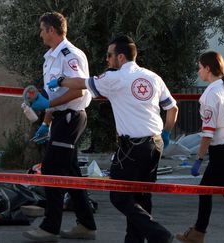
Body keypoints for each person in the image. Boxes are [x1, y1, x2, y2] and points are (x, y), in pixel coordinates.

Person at [47, 35, 178, 243]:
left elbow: (82, 82)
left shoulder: (114, 78)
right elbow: (173, 108)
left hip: (133, 147)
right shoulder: (153, 77)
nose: (107, 60)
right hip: (155, 144)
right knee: (141, 196)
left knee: (119, 195)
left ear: (121, 57)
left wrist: (60, 81)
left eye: (109, 55)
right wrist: (167, 133)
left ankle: (158, 234)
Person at [22, 12, 97, 242]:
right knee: (71, 172)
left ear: (52, 30)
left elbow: (79, 89)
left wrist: (49, 104)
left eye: (42, 29)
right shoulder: (51, 57)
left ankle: (50, 227)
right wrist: (46, 122)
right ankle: (86, 224)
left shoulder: (69, 55)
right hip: (61, 118)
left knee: (52, 169)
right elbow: (54, 93)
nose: (40, 33)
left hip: (71, 117)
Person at [176, 51, 224, 243]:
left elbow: (208, 133)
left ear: (208, 68)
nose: (198, 71)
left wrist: (199, 159)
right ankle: (198, 232)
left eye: (200, 67)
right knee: (206, 190)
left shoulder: (210, 94)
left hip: (221, 151)